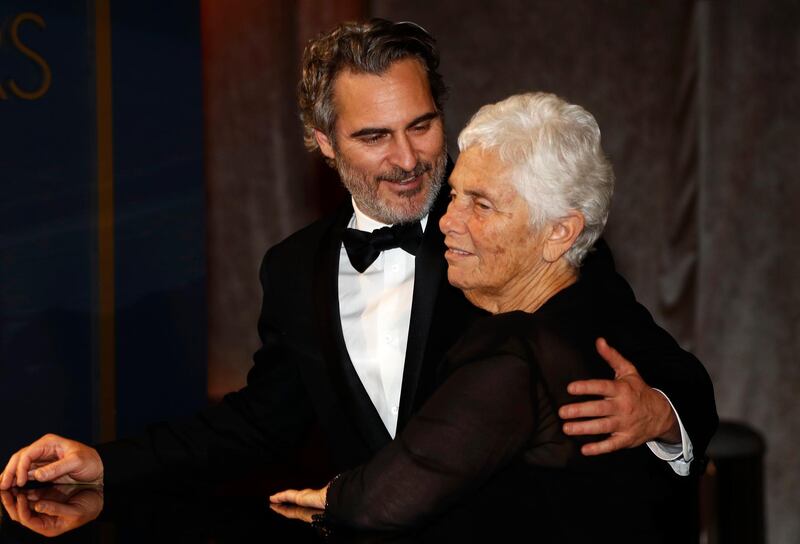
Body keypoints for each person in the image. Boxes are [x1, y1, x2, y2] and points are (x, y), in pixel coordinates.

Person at [1, 20, 714, 494]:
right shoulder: (291, 270)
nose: (407, 161)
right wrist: (107, 462)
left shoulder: (517, 236)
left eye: (423, 125)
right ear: (323, 140)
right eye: (375, 136)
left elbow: (681, 377)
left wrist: (659, 414)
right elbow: (256, 424)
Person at [269, 92, 718, 539]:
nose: (448, 219)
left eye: (480, 204)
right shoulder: (546, 321)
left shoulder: (530, 343)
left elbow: (384, 500)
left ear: (560, 232)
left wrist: (663, 414)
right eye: (456, 194)